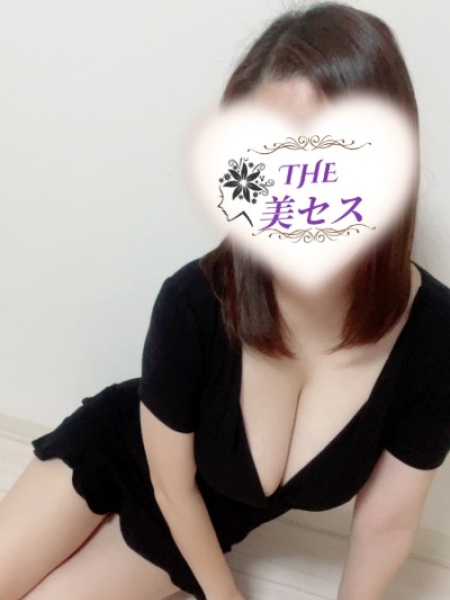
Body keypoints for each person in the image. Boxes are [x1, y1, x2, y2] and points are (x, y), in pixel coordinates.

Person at [1, 2, 449, 600]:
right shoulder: (194, 300)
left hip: (199, 525)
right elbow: (172, 483)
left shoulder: (435, 336)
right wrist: (224, 596)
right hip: (127, 453)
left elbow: (386, 524)